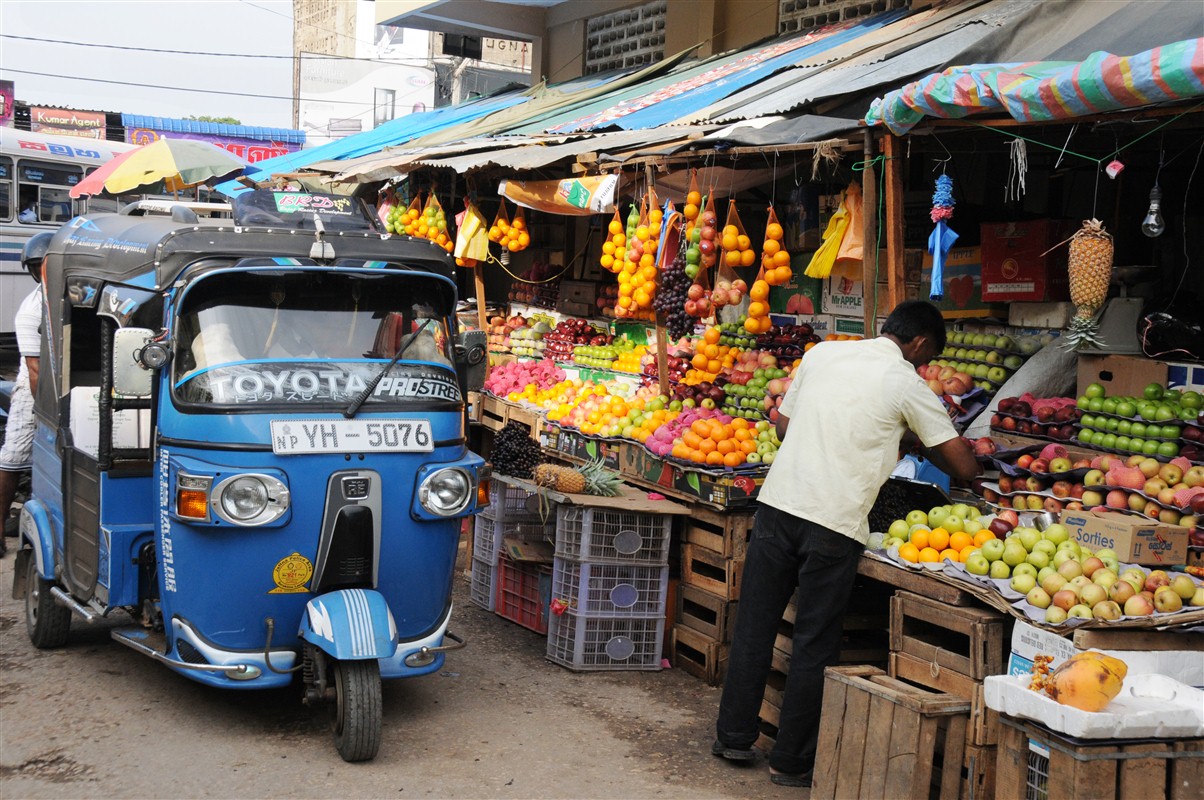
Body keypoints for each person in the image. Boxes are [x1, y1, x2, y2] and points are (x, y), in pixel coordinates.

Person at [712, 300, 978, 788]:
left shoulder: (823, 354)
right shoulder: (906, 383)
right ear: (919, 344)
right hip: (833, 523)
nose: (923, 366)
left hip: (778, 505)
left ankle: (733, 736)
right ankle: (790, 764)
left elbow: (783, 424)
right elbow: (960, 464)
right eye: (926, 357)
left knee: (754, 624)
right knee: (814, 644)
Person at [1, 233, 53, 556]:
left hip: (64, 380)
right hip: (30, 386)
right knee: (14, 457)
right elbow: (35, 372)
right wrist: (49, 415)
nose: (42, 274)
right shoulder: (30, 310)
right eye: (36, 269)